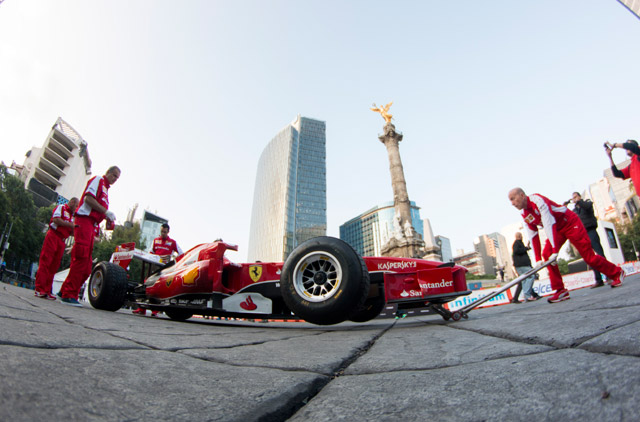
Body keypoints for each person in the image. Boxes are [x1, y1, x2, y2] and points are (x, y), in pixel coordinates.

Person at [508, 188, 624, 303]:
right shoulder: (524, 213)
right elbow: (533, 235)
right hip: (557, 230)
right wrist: (538, 258)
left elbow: (549, 223)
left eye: (513, 199)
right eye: (510, 201)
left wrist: (555, 251)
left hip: (569, 222)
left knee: (589, 257)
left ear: (522, 195)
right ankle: (560, 290)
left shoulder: (537, 200)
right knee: (547, 255)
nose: (512, 203)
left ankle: (617, 272)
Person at [58, 166, 120, 306]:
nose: (115, 179)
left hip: (91, 226)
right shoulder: (98, 180)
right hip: (84, 220)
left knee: (87, 267)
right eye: (114, 175)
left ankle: (63, 290)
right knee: (81, 258)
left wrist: (105, 216)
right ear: (108, 172)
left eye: (117, 178)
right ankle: (68, 294)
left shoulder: (106, 190)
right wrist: (105, 211)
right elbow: (88, 199)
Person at [133, 223, 183, 317]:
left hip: (165, 269)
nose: (163, 233)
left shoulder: (173, 242)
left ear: (168, 232)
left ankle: (155, 311)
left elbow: (181, 254)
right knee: (146, 284)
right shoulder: (155, 240)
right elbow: (150, 253)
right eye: (161, 231)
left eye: (165, 232)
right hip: (153, 267)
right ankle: (141, 308)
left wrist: (172, 262)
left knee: (158, 287)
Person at [34, 197, 79, 299]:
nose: (76, 208)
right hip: (53, 236)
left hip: (62, 240)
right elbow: (56, 219)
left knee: (54, 265)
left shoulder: (72, 217)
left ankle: (47, 290)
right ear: (71, 202)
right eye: (76, 205)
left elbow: (70, 230)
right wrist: (71, 225)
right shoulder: (61, 208)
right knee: (46, 262)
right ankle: (39, 288)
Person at [567, 192, 607, 288]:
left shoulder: (586, 203)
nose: (574, 199)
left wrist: (579, 201)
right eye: (573, 198)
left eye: (576, 197)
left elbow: (586, 206)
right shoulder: (574, 211)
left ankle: (609, 275)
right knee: (590, 257)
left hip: (591, 231)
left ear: (580, 197)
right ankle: (598, 279)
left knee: (599, 253)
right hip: (583, 234)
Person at [511, 232, 540, 303]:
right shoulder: (517, 243)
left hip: (520, 265)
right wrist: (525, 249)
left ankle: (528, 295)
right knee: (531, 276)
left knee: (524, 280)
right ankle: (527, 295)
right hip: (522, 265)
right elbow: (516, 251)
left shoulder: (518, 243)